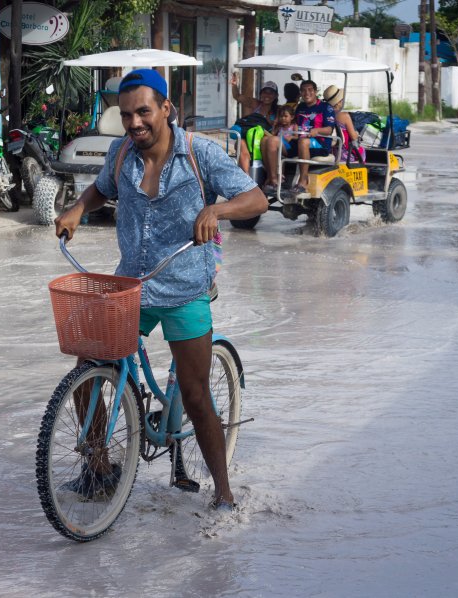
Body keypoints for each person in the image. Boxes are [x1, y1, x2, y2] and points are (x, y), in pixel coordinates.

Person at [53, 69, 267, 511]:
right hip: (131, 284)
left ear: (167, 109)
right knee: (88, 365)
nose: (134, 123)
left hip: (186, 287)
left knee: (195, 394)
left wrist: (217, 209)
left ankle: (224, 494)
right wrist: (77, 208)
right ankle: (99, 469)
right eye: (127, 114)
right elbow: (100, 190)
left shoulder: (199, 153)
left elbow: (256, 199)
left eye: (143, 112)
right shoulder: (120, 154)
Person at [260, 79, 336, 195]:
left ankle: (303, 181)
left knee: (303, 142)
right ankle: (274, 180)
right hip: (298, 141)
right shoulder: (300, 107)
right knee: (268, 140)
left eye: (310, 90)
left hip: (319, 143)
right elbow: (292, 123)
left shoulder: (326, 107)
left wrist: (316, 130)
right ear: (300, 93)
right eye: (303, 90)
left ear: (315, 91)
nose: (307, 93)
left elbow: (329, 129)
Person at [229, 73, 279, 172]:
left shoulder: (278, 110)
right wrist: (234, 84)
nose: (267, 95)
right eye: (265, 92)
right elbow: (237, 96)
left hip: (265, 140)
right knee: (241, 143)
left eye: (270, 93)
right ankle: (247, 178)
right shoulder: (256, 104)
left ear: (275, 96)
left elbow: (276, 131)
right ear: (261, 94)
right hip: (249, 138)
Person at [322, 85, 365, 163]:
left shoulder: (324, 113)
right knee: (362, 151)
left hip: (330, 150)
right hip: (344, 154)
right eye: (342, 99)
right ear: (338, 102)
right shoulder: (344, 115)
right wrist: (357, 134)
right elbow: (354, 137)